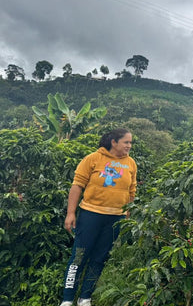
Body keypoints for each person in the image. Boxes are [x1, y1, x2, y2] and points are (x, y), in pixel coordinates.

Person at [59, 128, 137, 306]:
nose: (129, 146)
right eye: (126, 142)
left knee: (100, 258)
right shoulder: (93, 159)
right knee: (79, 256)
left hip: (115, 219)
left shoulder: (131, 163)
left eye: (130, 143)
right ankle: (67, 299)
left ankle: (85, 297)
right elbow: (77, 185)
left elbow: (131, 192)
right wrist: (71, 213)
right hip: (90, 216)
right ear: (114, 142)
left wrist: (127, 215)